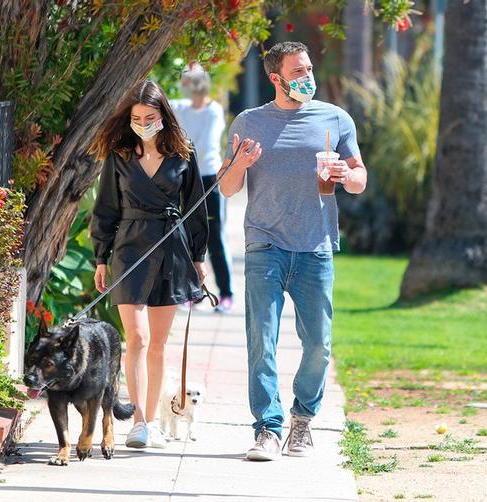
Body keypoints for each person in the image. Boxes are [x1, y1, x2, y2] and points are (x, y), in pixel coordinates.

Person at [218, 41, 367, 461]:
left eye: (308, 68)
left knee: (319, 344)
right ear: (275, 78)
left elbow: (359, 178)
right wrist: (240, 165)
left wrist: (345, 173)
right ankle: (267, 428)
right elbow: (228, 189)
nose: (306, 77)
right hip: (265, 244)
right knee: (261, 341)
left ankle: (302, 421)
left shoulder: (335, 119)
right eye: (297, 71)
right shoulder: (248, 122)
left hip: (315, 246)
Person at [89, 79, 208, 449]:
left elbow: (195, 208)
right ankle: (138, 422)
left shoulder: (183, 156)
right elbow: (106, 208)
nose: (142, 122)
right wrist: (100, 257)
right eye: (137, 117)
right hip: (128, 249)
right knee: (136, 338)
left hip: (172, 250)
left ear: (164, 116)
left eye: (150, 116)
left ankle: (153, 421)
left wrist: (199, 257)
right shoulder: (120, 157)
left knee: (157, 343)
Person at [170, 63, 235, 312]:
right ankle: (192, 293)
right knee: (186, 236)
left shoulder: (213, 111)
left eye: (196, 81)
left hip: (209, 179)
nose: (192, 86)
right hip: (186, 177)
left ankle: (226, 293)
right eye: (188, 81)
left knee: (215, 236)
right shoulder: (180, 108)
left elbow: (204, 145)